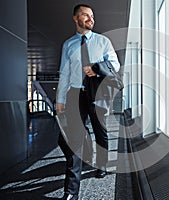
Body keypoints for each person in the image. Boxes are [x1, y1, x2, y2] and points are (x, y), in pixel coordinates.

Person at [56, 4, 120, 200]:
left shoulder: (103, 41)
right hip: (75, 94)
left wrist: (97, 68)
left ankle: (101, 165)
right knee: (73, 140)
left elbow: (115, 65)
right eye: (86, 15)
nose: (91, 19)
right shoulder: (68, 45)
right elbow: (64, 74)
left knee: (101, 132)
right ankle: (71, 191)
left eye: (92, 16)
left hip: (98, 93)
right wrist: (60, 99)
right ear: (76, 18)